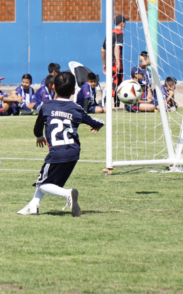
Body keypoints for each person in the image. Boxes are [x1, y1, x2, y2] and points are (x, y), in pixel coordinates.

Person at [17, 71, 105, 217]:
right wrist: (97, 126)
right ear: (73, 91)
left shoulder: (46, 106)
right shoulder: (76, 108)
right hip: (73, 152)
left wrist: (39, 136)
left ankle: (67, 194)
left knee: (43, 184)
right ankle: (33, 205)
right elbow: (97, 122)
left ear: (53, 88)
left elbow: (37, 128)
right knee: (48, 181)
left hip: (56, 153)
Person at [102, 14, 128, 107]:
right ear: (121, 24)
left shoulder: (109, 33)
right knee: (117, 83)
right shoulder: (119, 33)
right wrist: (118, 63)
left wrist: (104, 64)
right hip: (115, 62)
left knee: (112, 81)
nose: (125, 24)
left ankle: (107, 103)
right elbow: (116, 48)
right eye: (125, 23)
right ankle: (115, 104)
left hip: (109, 63)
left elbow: (102, 50)